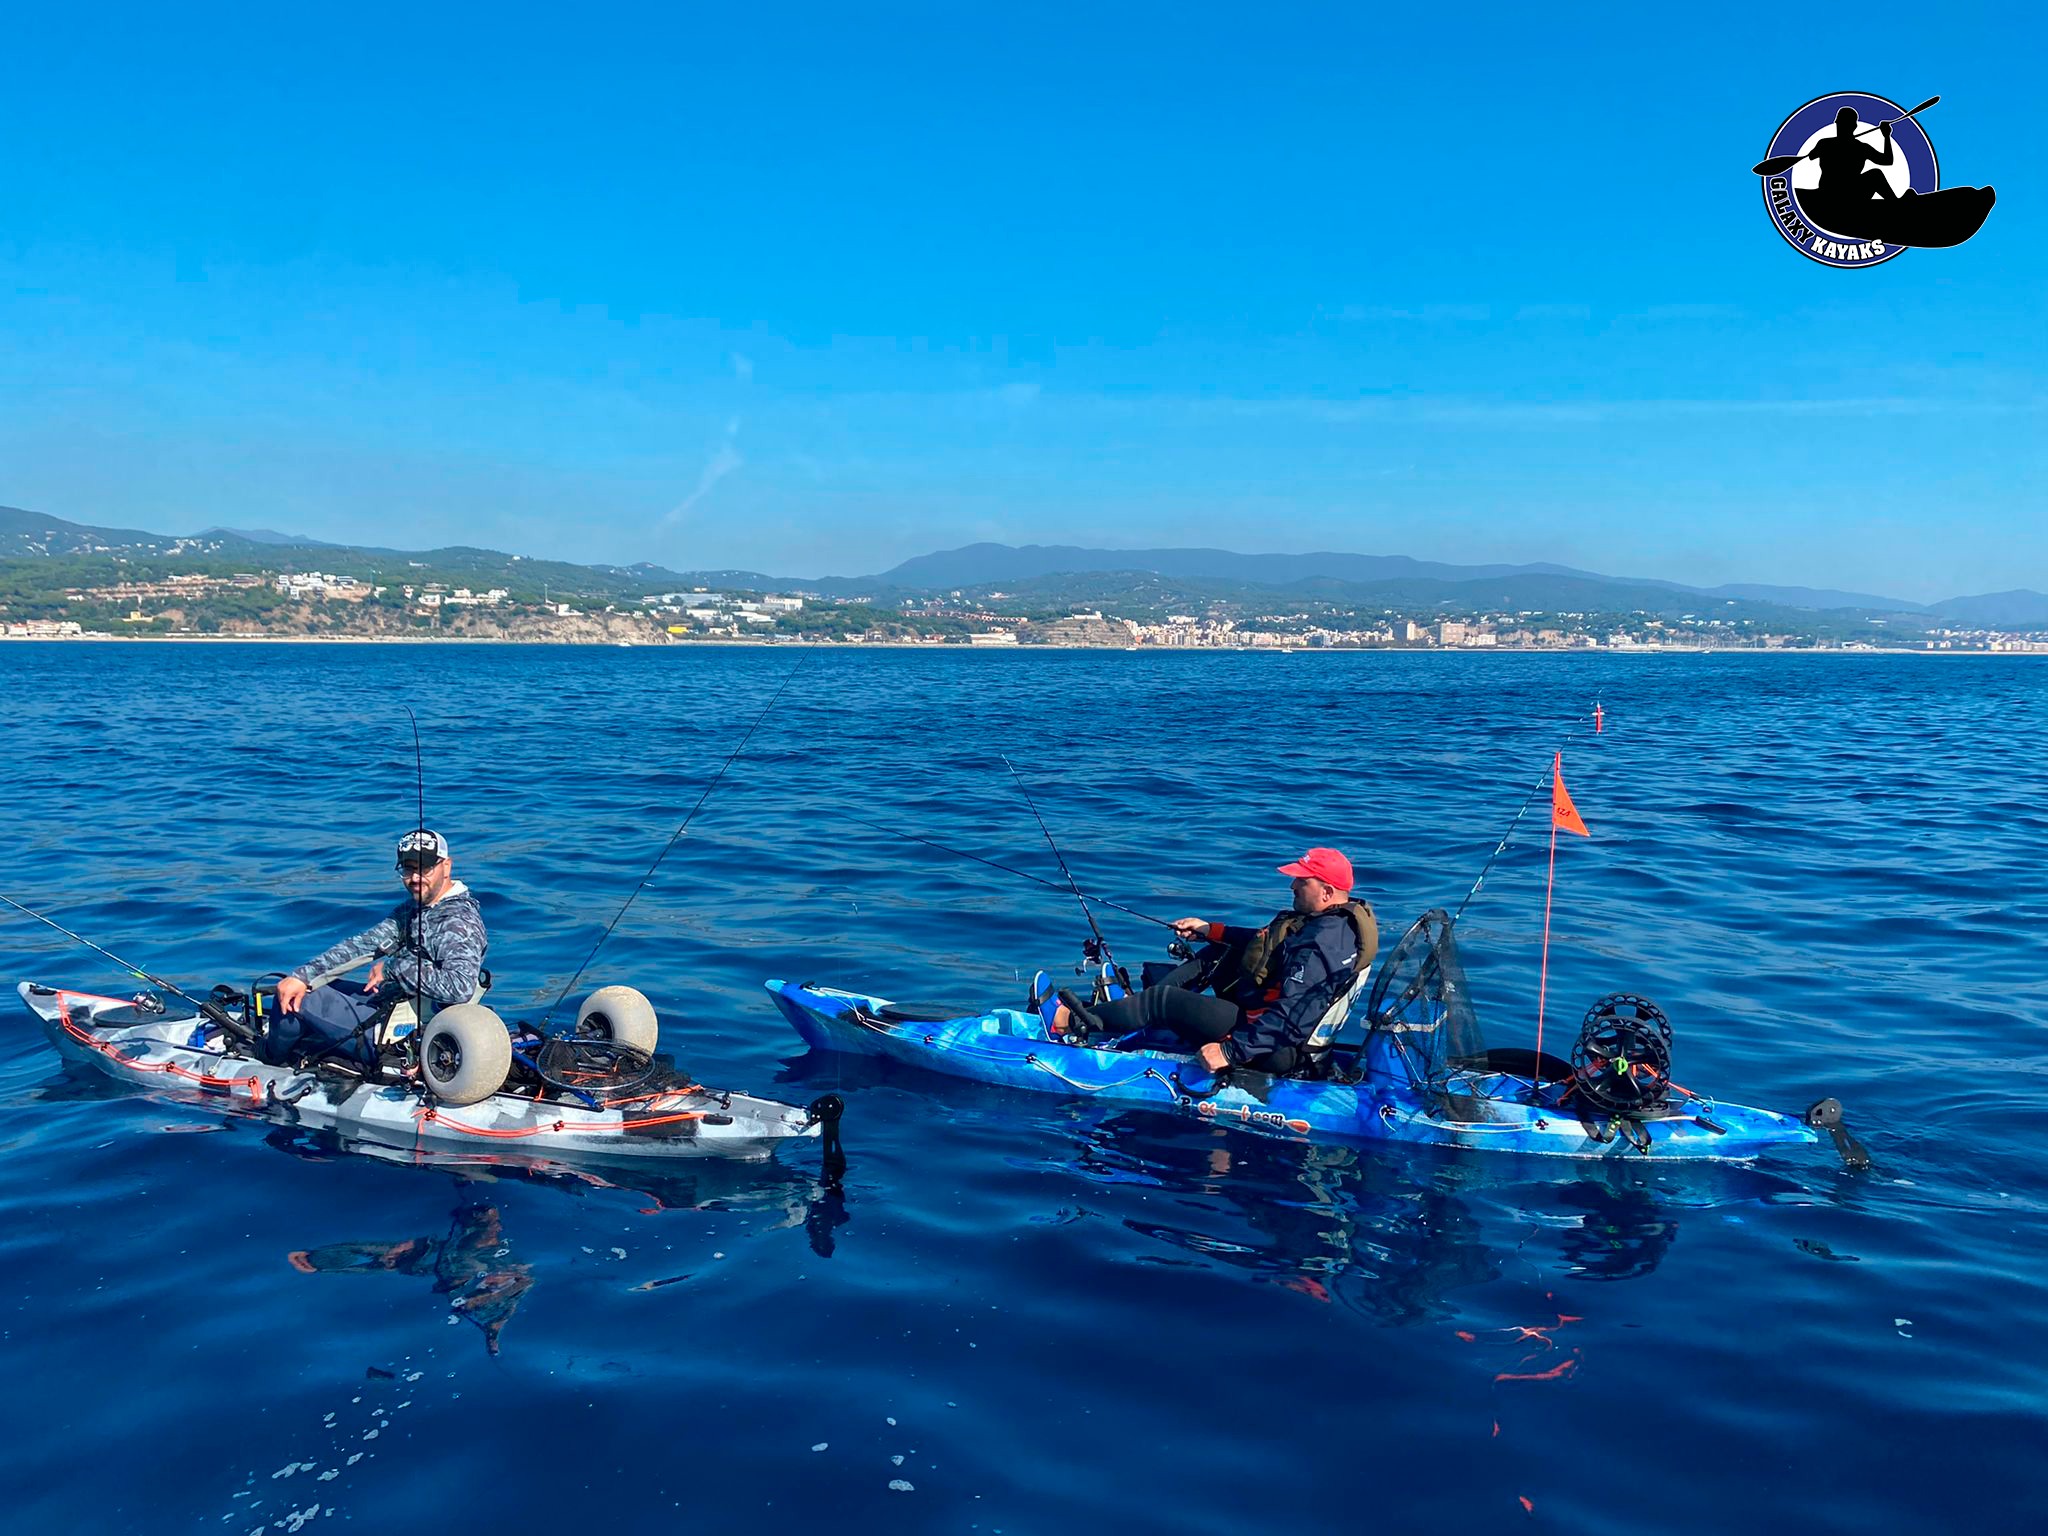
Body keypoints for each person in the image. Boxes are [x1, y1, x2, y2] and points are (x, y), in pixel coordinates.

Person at [1039, 847, 1377, 1078]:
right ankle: (1140, 1013)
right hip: (1275, 1030)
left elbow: (1291, 1017)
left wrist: (1230, 1054)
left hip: (1277, 1049)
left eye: (1302, 881)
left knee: (1164, 1000)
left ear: (1327, 891)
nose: (1292, 885)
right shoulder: (1334, 924)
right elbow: (1268, 944)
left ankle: (1070, 1022)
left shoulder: (1320, 945)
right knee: (1222, 950)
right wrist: (1211, 931)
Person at [266, 829, 489, 1065]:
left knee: (300, 1000)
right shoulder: (416, 909)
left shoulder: (458, 921)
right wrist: (304, 976)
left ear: (447, 866)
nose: (415, 878)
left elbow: (460, 987)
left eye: (424, 869)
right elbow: (364, 945)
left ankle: (268, 1058)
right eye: (408, 869)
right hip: (391, 1006)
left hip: (402, 1037)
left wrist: (393, 969)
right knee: (307, 986)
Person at [1805, 105, 1897, 207]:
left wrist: (1886, 136)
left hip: (1847, 192)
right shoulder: (1827, 144)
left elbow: (1888, 161)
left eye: (1841, 123)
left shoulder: (1825, 143)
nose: (1838, 126)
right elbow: (1811, 156)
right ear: (1854, 126)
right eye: (1840, 123)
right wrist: (1887, 136)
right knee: (1876, 175)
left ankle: (1896, 204)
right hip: (1835, 192)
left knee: (1876, 174)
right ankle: (1897, 205)